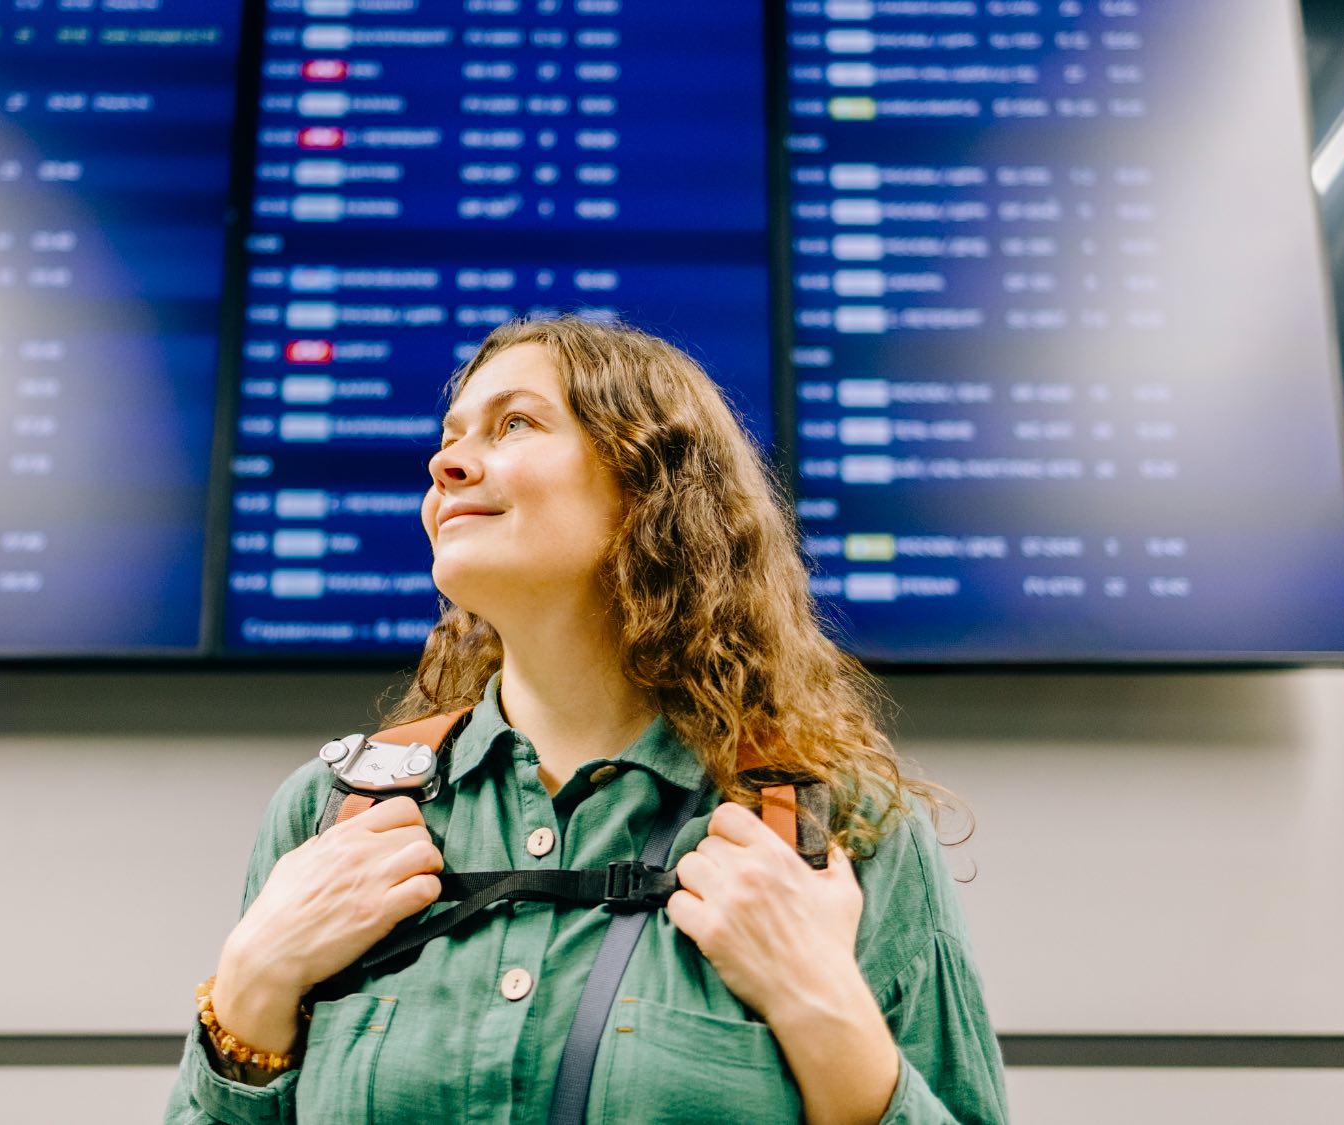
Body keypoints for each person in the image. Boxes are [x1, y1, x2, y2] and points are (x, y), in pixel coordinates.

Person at [165, 315, 1008, 1124]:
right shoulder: (328, 815)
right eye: (452, 436)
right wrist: (250, 982)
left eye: (516, 424)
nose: (447, 465)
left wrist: (820, 1005)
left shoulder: (842, 834)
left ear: (650, 484)